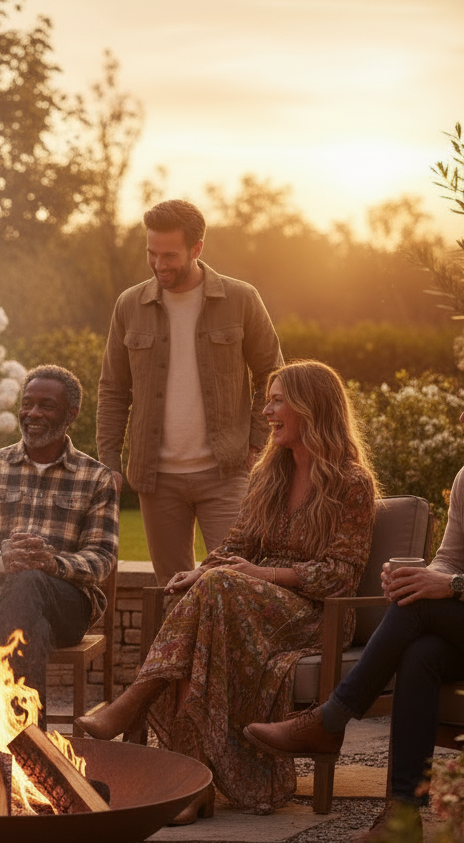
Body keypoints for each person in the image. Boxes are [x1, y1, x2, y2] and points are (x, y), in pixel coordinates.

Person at [77, 360, 378, 821]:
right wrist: (200, 573)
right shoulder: (269, 473)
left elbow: (340, 575)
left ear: (310, 407)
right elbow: (237, 544)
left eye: (278, 400)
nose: (266, 410)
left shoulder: (351, 483)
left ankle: (138, 705)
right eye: (269, 399)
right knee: (207, 603)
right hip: (243, 599)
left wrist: (258, 576)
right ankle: (194, 784)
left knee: (219, 589)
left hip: (317, 611)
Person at [245, 363, 464, 843]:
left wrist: (449, 585)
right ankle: (401, 818)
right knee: (421, 647)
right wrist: (419, 578)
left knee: (421, 612)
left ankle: (330, 719)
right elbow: (450, 560)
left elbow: (455, 577)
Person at [97, 198, 284, 586]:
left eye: (170, 255)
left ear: (197, 249)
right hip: (156, 477)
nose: (160, 264)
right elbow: (113, 389)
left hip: (227, 472)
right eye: (152, 253)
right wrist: (109, 461)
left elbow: (273, 375)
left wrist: (256, 443)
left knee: (233, 583)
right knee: (173, 589)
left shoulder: (241, 299)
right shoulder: (129, 305)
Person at [0, 364, 118, 726]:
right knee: (31, 625)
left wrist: (52, 564)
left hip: (67, 606)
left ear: (71, 414)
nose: (33, 414)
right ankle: (32, 746)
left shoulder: (95, 478)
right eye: (27, 404)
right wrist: (2, 560)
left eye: (47, 405)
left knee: (30, 583)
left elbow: (102, 558)